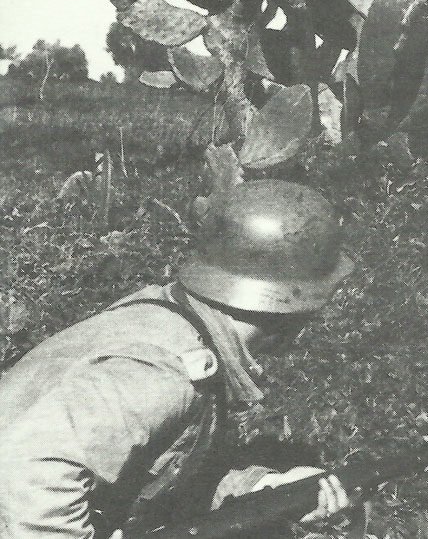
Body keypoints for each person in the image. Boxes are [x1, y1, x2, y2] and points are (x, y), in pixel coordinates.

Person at [0, 179, 357, 538]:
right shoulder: (169, 373)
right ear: (295, 305)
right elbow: (29, 470)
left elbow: (158, 470)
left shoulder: (170, 317)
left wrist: (263, 489)